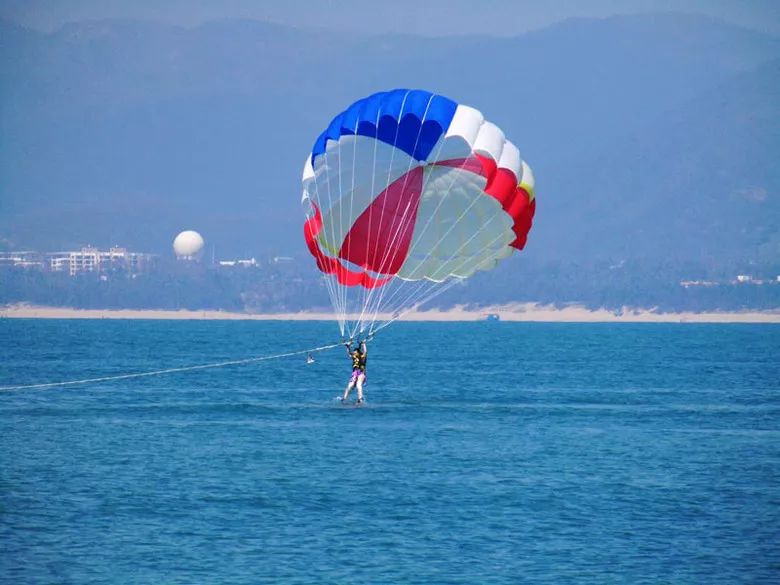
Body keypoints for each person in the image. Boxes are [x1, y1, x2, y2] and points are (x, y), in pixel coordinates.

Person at [342, 339, 367, 404]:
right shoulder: (354, 357)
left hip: (361, 373)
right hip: (354, 374)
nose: (354, 353)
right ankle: (344, 398)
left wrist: (363, 344)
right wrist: (348, 347)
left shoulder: (362, 356)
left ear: (358, 352)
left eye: (355, 352)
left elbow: (365, 351)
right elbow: (349, 353)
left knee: (358, 385)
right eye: (354, 352)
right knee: (349, 386)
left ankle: (360, 399)